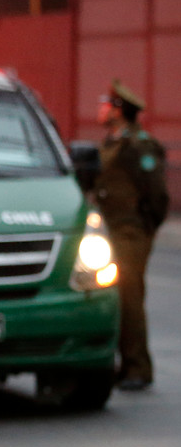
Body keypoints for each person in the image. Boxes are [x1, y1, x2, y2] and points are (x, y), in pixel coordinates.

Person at [93, 79, 169, 392]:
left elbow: (156, 195)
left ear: (119, 111)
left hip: (129, 230)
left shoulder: (139, 145)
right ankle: (120, 364)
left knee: (130, 297)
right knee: (110, 298)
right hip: (108, 230)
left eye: (106, 104)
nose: (101, 108)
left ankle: (138, 367)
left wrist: (144, 226)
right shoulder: (111, 142)